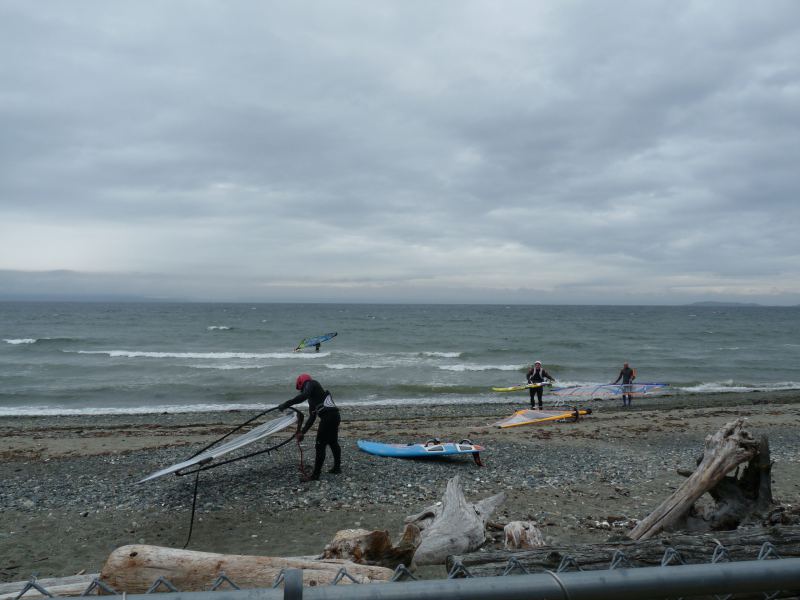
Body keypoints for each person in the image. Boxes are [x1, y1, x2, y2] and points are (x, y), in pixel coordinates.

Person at [278, 373, 341, 481]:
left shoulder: (311, 383)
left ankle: (315, 475)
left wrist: (286, 404)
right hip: (335, 416)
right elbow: (312, 417)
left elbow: (304, 395)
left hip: (328, 418)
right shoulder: (313, 399)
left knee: (320, 446)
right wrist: (303, 432)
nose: (302, 391)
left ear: (302, 382)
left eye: (301, 388)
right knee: (332, 442)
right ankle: (337, 468)